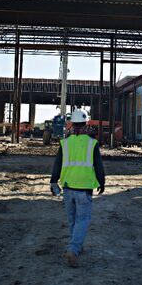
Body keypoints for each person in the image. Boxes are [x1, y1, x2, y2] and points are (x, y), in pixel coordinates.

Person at [50, 108, 105, 267]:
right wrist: (102, 182)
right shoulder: (92, 144)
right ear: (86, 124)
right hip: (84, 188)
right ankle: (73, 249)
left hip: (67, 187)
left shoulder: (65, 143)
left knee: (72, 219)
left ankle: (76, 246)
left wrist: (53, 181)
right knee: (83, 219)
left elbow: (57, 164)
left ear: (72, 125)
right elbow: (99, 166)